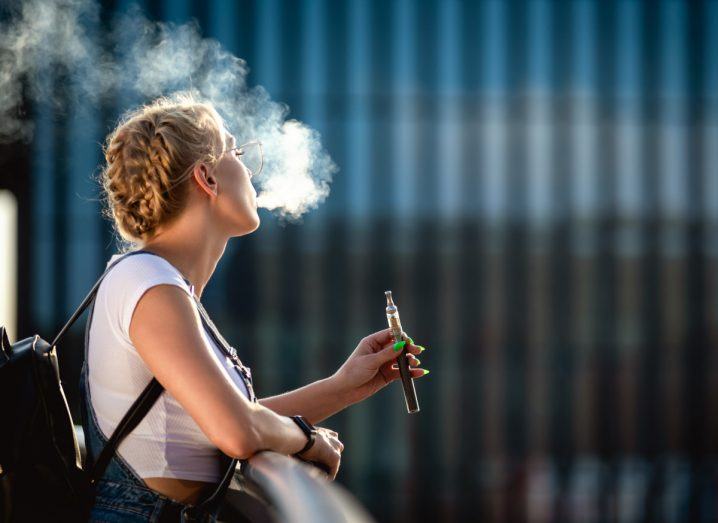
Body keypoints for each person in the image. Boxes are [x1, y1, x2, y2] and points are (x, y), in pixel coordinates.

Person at [81, 92, 429, 521]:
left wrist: (345, 385)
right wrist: (306, 440)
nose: (248, 169)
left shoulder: (159, 284)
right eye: (237, 152)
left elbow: (227, 421)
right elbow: (236, 431)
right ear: (207, 178)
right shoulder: (150, 285)